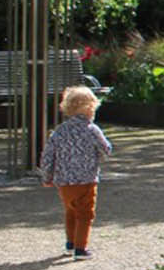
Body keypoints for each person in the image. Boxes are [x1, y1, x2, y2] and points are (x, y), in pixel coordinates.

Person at [39, 84, 112, 259]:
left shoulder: (59, 131)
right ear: (90, 108)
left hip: (64, 181)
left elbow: (48, 155)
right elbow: (106, 148)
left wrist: (47, 176)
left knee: (71, 210)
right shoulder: (92, 130)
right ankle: (81, 248)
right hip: (86, 179)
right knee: (85, 214)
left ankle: (70, 243)